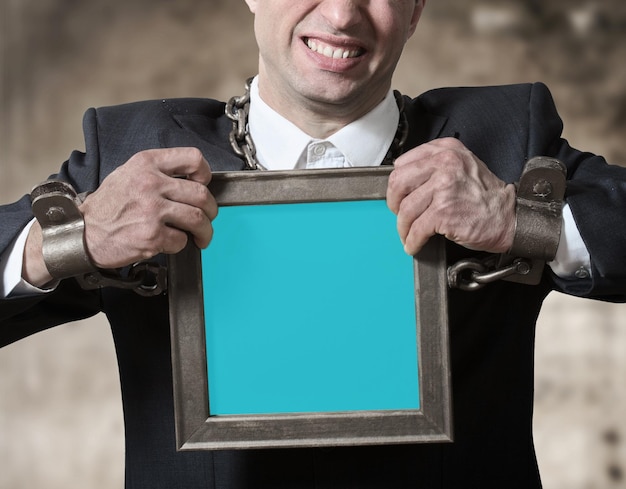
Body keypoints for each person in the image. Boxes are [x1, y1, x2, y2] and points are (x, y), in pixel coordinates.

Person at [1, 0, 625, 487]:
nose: (340, 15)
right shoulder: (130, 149)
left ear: (415, 10)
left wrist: (527, 221)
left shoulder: (503, 139)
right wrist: (69, 238)